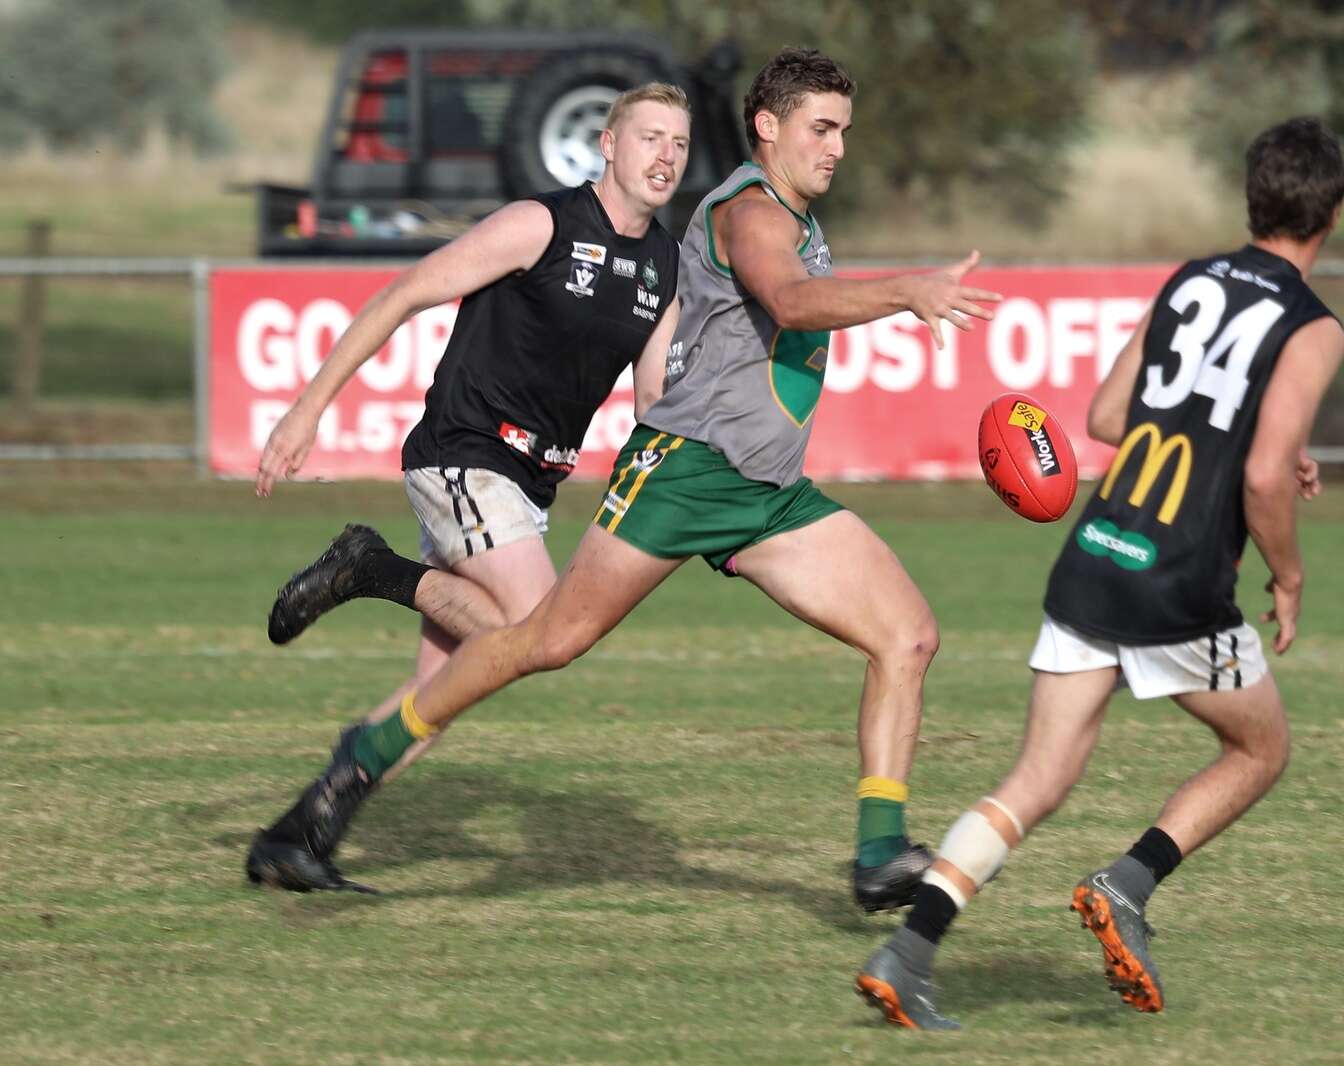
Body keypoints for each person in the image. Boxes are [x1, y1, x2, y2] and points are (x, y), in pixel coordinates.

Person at [246, 46, 1003, 910]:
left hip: (759, 492)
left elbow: (663, 378)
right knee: (540, 640)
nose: (836, 147)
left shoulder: (668, 259)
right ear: (767, 128)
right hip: (660, 475)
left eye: (844, 132)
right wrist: (908, 289)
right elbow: (790, 302)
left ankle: (878, 856)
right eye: (821, 129)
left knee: (907, 635)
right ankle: (364, 710)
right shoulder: (749, 211)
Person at [856, 115, 1344, 1030]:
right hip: (1179, 581)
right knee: (1261, 748)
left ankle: (909, 952)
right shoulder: (1312, 327)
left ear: (1252, 195)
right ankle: (1126, 884)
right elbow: (1256, 473)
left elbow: (1112, 413)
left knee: (1036, 778)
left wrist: (1262, 453)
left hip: (1098, 553)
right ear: (1332, 215)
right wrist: (1287, 573)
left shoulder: (1191, 279)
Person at [246, 82, 693, 892]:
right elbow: (404, 293)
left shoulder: (665, 264)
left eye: (680, 144)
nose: (665, 156)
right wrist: (305, 411)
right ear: (608, 144)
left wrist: (686, 487)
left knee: (444, 691)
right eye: (650, 137)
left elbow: (654, 405)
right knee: (535, 627)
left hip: (526, 488)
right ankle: (370, 568)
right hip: (462, 455)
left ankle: (297, 838)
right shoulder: (541, 224)